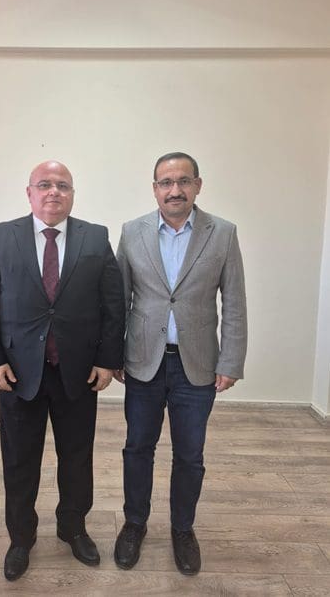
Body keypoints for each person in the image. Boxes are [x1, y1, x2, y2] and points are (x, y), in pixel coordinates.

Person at [0, 160, 125, 581]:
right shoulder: (2, 235)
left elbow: (113, 303)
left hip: (79, 372)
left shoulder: (96, 237)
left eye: (63, 185)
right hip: (18, 374)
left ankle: (73, 528)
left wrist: (107, 360)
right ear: (29, 193)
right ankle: (21, 538)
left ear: (73, 194)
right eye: (44, 185)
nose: (53, 191)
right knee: (20, 460)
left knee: (76, 457)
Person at [114, 152, 247, 576]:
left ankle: (183, 529)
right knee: (138, 447)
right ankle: (134, 524)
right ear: (155, 188)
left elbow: (235, 302)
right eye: (166, 182)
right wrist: (112, 355)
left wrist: (231, 360)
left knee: (190, 454)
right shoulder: (132, 232)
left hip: (198, 364)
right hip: (143, 362)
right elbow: (118, 300)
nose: (175, 190)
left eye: (183, 181)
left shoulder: (222, 233)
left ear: (198, 185)